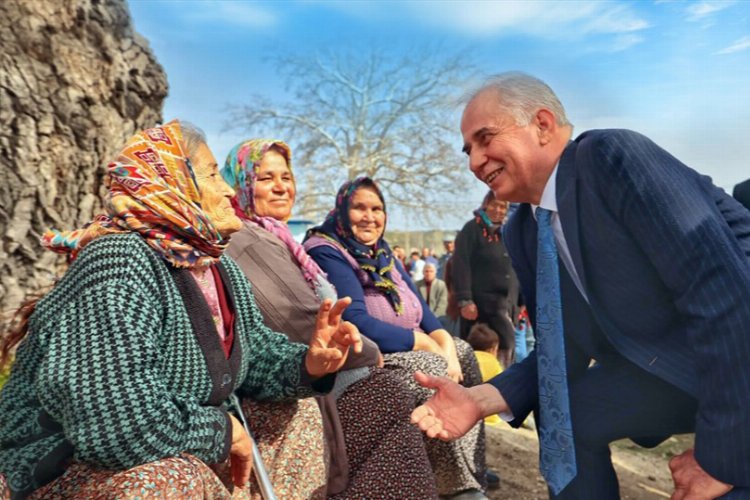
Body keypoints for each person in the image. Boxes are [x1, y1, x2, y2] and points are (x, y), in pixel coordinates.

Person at [411, 72, 750, 499]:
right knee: (566, 412)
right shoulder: (524, 228)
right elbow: (559, 349)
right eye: (469, 149)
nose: (475, 161)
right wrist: (479, 400)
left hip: (739, 355)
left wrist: (721, 457)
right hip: (679, 367)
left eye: (485, 138)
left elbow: (725, 297)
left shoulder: (611, 159)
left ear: (543, 124)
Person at [0, 121, 362, 499]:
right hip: (64, 467)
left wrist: (310, 363)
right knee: (169, 479)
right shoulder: (119, 260)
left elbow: (257, 355)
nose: (225, 189)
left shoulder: (215, 267)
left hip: (168, 444)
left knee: (295, 415)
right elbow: (117, 425)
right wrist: (221, 430)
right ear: (170, 184)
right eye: (210, 175)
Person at [221, 138, 437, 498]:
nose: (281, 187)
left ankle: (457, 485)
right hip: (306, 375)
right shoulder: (248, 240)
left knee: (426, 378)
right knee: (399, 390)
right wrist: (371, 353)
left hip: (331, 367)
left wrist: (438, 336)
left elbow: (417, 308)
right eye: (265, 178)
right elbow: (300, 319)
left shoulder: (280, 239)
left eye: (286, 177)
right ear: (241, 184)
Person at [304, 177, 488, 499]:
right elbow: (356, 320)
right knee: (431, 367)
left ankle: (468, 474)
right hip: (370, 355)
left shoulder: (383, 253)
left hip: (410, 345)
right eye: (359, 207)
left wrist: (444, 342)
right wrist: (426, 344)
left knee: (464, 354)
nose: (369, 216)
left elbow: (424, 311)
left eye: (377, 209)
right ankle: (453, 483)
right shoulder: (328, 250)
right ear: (342, 211)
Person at [452, 191, 520, 367]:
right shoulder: (472, 229)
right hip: (479, 305)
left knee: (507, 345)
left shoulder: (509, 232)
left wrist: (521, 300)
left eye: (503, 207)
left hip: (506, 303)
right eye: (494, 205)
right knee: (479, 346)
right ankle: (477, 385)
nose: (498, 210)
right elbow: (461, 265)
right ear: (485, 205)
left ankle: (504, 382)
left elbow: (516, 267)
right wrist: (465, 300)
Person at [466, 324, 502, 428]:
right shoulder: (494, 363)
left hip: (467, 414)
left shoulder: (466, 358)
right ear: (492, 349)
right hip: (491, 417)